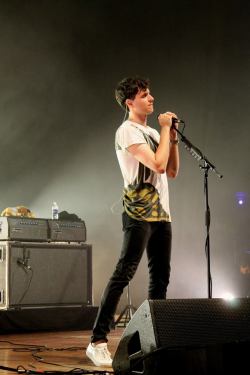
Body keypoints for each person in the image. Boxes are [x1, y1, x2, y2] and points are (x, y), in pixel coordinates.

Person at [86, 76, 180, 367]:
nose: (151, 98)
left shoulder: (153, 131)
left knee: (160, 278)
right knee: (124, 272)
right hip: (139, 212)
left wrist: (171, 136)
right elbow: (158, 164)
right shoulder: (127, 130)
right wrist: (165, 129)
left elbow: (172, 170)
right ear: (130, 102)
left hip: (162, 213)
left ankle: (155, 340)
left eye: (151, 93)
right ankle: (97, 341)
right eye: (144, 95)